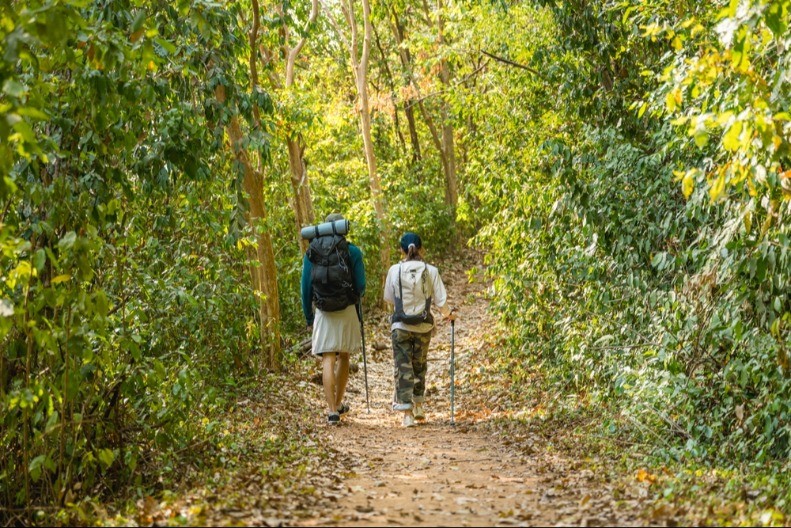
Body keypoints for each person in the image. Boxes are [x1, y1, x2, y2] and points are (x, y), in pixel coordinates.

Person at [384, 232, 456, 427]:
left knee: (403, 366)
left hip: (400, 325)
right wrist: (449, 315)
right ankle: (419, 405)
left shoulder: (394, 270)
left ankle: (406, 413)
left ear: (401, 249)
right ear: (421, 248)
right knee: (419, 364)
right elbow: (441, 301)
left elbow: (389, 298)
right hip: (423, 326)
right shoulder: (431, 270)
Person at [301, 213, 366, 425]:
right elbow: (361, 285)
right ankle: (338, 403)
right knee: (344, 356)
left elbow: (306, 287)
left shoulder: (312, 252)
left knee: (328, 358)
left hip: (323, 310)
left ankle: (331, 411)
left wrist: (309, 316)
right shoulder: (352, 250)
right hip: (346, 309)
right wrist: (354, 300)